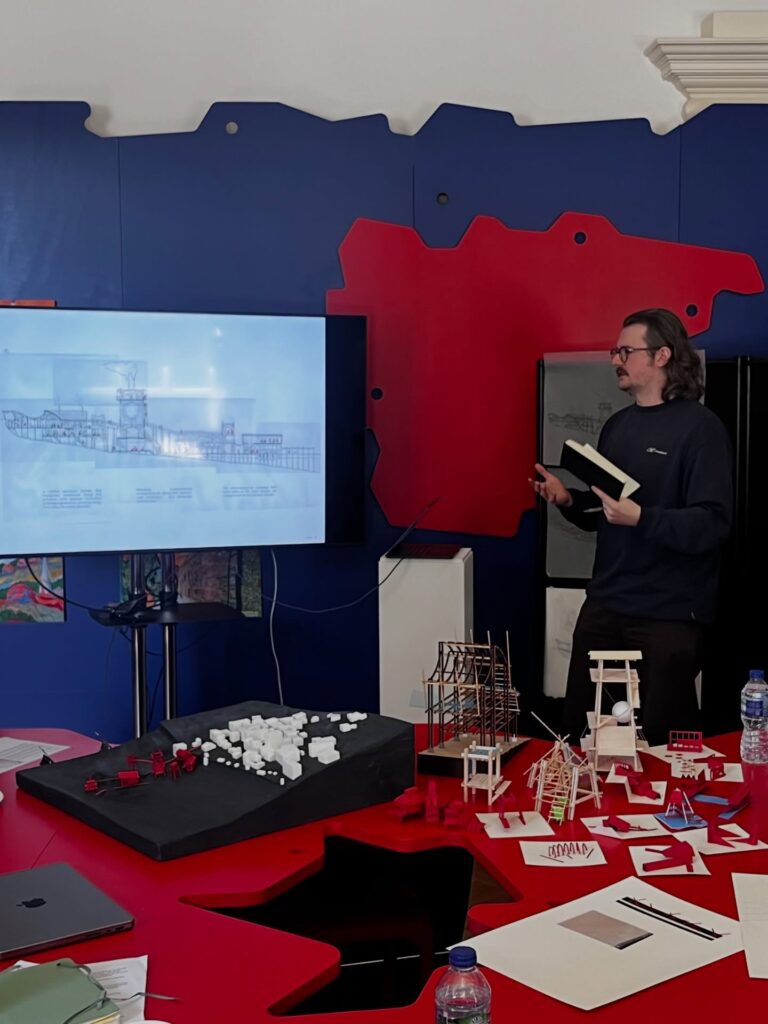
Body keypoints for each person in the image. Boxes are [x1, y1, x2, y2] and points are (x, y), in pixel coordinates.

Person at [530, 308, 733, 746]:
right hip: (606, 602)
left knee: (660, 739)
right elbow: (606, 510)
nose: (615, 359)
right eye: (614, 351)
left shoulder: (701, 429)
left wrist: (642, 516)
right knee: (581, 732)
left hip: (669, 613)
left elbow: (712, 523)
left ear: (662, 356)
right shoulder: (617, 427)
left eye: (626, 351)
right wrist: (567, 500)